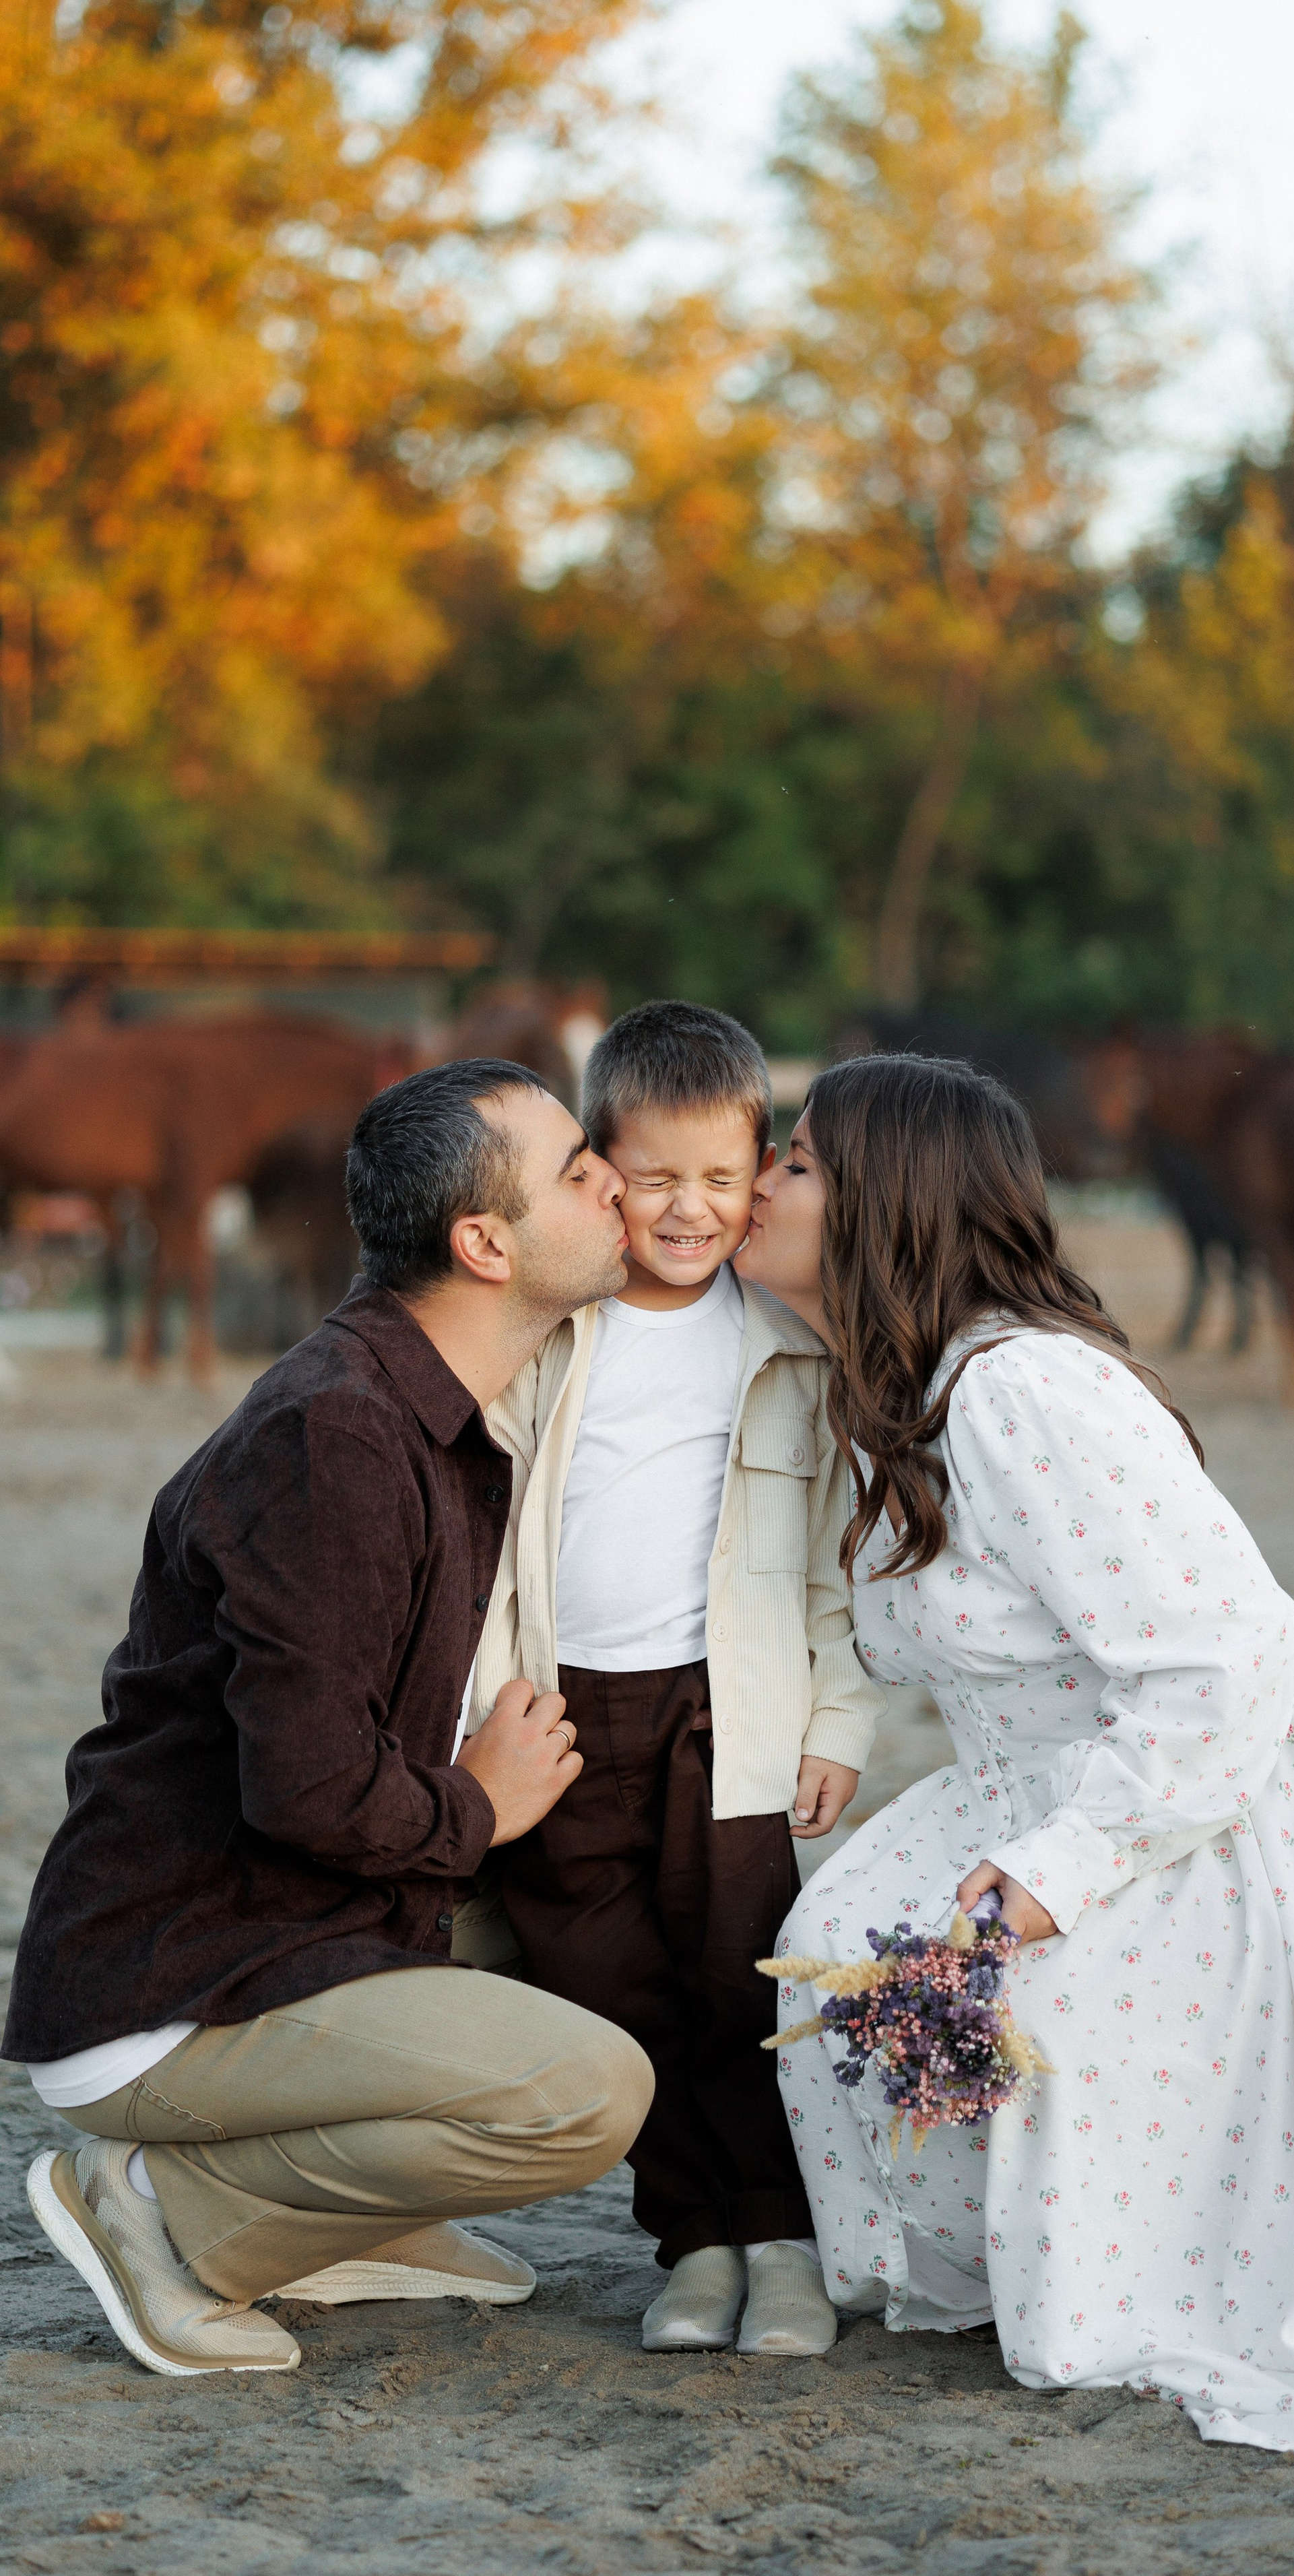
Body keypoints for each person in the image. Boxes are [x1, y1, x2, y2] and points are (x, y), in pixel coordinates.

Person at [736, 1052, 1294, 2464]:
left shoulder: (1019, 1394)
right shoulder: (882, 1391)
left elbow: (1212, 1662)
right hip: (1035, 1774)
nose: (754, 1185)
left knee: (1026, 2018)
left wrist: (1053, 1875)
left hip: (1223, 1778)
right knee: (844, 1952)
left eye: (792, 1163)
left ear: (886, 1202)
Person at [3, 1060, 654, 2379]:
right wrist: (478, 1805)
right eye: (577, 1170)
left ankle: (355, 2222)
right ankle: (171, 2220)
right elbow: (302, 1788)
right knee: (588, 2093)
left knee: (604, 1922)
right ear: (484, 1244)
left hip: (296, 1924)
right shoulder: (337, 1438)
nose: (612, 1183)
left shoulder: (427, 1402)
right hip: (176, 1981)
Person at [469, 1002, 884, 2356]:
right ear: (599, 1167)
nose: (689, 1210)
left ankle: (782, 2243)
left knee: (740, 1984)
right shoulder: (549, 1338)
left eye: (722, 1178)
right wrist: (472, 1715)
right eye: (655, 1180)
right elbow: (479, 1547)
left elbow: (834, 1557)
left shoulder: (782, 1341)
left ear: (759, 1169)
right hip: (558, 1718)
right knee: (606, 1983)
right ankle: (691, 2241)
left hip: (730, 1712)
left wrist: (836, 1717)